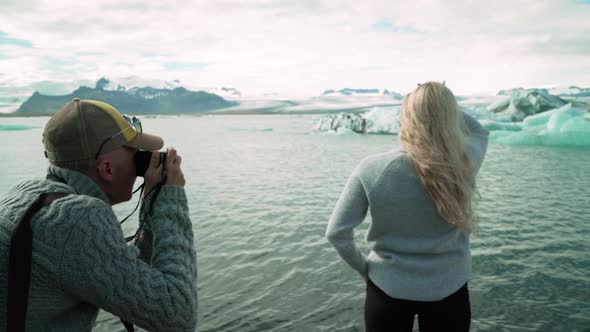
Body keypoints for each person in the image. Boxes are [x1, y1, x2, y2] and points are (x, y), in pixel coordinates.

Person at [0, 99, 197, 331]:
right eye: (135, 154)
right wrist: (171, 199)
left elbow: (124, 274)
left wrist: (152, 203)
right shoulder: (77, 218)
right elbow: (178, 316)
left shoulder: (28, 195)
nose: (140, 163)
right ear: (107, 169)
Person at [325, 82, 489, 332]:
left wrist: (365, 270)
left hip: (387, 289)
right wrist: (439, 105)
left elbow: (336, 233)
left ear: (407, 118)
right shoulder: (464, 163)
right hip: (450, 287)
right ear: (451, 117)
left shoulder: (373, 169)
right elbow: (479, 130)